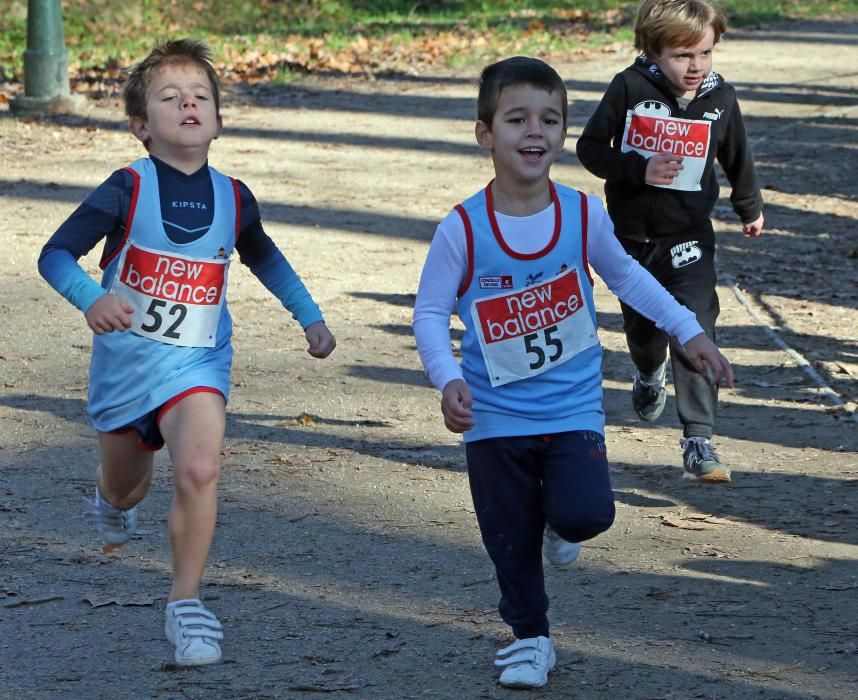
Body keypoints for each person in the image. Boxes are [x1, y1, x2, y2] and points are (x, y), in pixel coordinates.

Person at [412, 56, 734, 689]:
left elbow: (628, 278)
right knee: (509, 538)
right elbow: (428, 314)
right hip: (493, 415)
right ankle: (531, 637)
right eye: (517, 119)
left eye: (550, 120)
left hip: (570, 408)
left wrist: (688, 330)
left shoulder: (582, 215)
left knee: (586, 515)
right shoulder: (464, 229)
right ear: (486, 135)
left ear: (563, 135)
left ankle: (563, 523)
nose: (535, 132)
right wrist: (446, 377)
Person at [38, 39, 336, 666]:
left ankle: (186, 604)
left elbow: (266, 258)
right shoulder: (126, 188)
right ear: (142, 126)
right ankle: (107, 498)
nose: (189, 105)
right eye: (170, 99)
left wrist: (310, 317)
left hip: (197, 362)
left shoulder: (234, 197)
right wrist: (91, 298)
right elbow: (55, 255)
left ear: (219, 119)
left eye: (201, 96)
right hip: (125, 367)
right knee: (126, 493)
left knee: (200, 468)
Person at [576, 0, 764, 483]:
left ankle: (699, 438)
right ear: (653, 50)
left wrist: (750, 207)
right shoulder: (629, 87)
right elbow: (590, 148)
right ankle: (646, 371)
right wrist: (639, 168)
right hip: (632, 240)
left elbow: (737, 156)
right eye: (682, 56)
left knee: (696, 324)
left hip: (689, 238)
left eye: (704, 53)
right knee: (643, 332)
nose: (695, 66)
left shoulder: (721, 98)